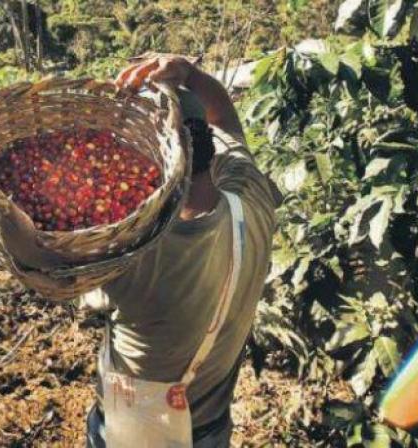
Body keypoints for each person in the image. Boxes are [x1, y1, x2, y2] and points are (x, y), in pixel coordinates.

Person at [82, 53, 279, 447]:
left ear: (157, 160)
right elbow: (223, 117)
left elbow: (38, 256)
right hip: (210, 431)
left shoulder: (139, 258)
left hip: (131, 436)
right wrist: (189, 74)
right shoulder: (251, 194)